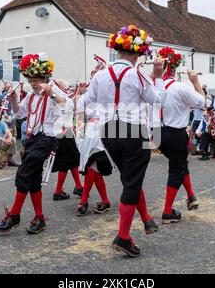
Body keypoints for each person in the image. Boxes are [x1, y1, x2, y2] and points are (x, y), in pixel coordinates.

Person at [83, 25, 166, 258]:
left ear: (118, 50)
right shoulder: (138, 74)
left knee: (130, 176)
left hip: (108, 130)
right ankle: (123, 237)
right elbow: (158, 100)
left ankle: (147, 219)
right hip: (132, 131)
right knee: (131, 181)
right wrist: (158, 79)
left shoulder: (100, 75)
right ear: (138, 53)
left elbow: (87, 101)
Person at [0, 53, 73, 236]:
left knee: (23, 174)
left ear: (45, 79)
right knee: (33, 179)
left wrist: (51, 93)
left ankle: (14, 215)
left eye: (36, 80)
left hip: (47, 139)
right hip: (31, 139)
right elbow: (19, 113)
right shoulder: (31, 95)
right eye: (31, 80)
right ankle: (39, 217)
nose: (33, 84)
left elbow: (67, 106)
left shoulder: (54, 90)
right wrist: (13, 98)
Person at [153, 47, 205, 223]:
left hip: (157, 134)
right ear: (175, 68)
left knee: (181, 163)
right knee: (177, 169)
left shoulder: (153, 85)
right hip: (175, 133)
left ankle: (191, 196)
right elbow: (202, 103)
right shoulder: (180, 87)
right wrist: (195, 81)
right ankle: (167, 212)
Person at [75, 80, 113, 216]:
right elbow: (78, 116)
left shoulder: (110, 96)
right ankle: (105, 201)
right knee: (94, 166)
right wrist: (79, 136)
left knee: (94, 165)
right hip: (90, 132)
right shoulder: (85, 98)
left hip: (104, 131)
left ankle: (84, 201)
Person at [51, 79, 84, 201]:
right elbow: (71, 105)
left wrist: (78, 91)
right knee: (69, 160)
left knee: (70, 160)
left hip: (64, 132)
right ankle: (68, 189)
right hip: (64, 132)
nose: (66, 87)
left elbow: (72, 105)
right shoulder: (58, 99)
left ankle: (75, 187)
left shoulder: (62, 99)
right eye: (64, 86)